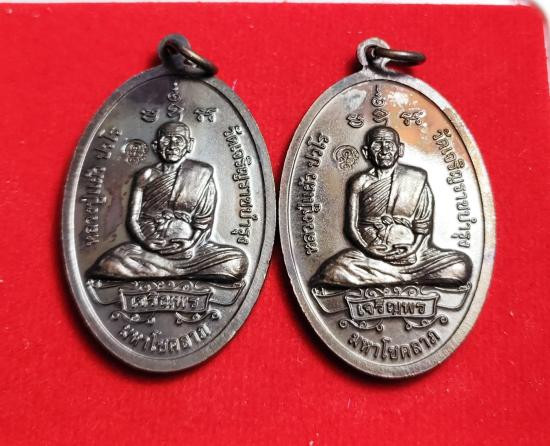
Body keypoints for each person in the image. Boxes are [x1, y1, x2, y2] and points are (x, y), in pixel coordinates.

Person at [311, 125, 471, 288]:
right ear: (366, 152)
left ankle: (390, 276)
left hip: (412, 254)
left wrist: (413, 249)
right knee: (334, 270)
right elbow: (351, 227)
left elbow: (423, 225)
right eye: (377, 145)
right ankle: (399, 276)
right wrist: (369, 250)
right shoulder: (359, 182)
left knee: (459, 266)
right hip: (370, 255)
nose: (384, 150)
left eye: (389, 144)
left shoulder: (415, 178)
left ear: (400, 149)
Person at [88, 121, 248, 283]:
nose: (172, 146)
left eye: (179, 141)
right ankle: (173, 269)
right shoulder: (146, 175)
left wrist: (190, 243)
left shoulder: (201, 174)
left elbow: (203, 221)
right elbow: (133, 219)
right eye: (166, 141)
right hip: (151, 243)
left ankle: (160, 270)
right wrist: (147, 243)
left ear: (189, 145)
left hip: (188, 247)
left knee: (236, 263)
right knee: (110, 264)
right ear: (156, 145)